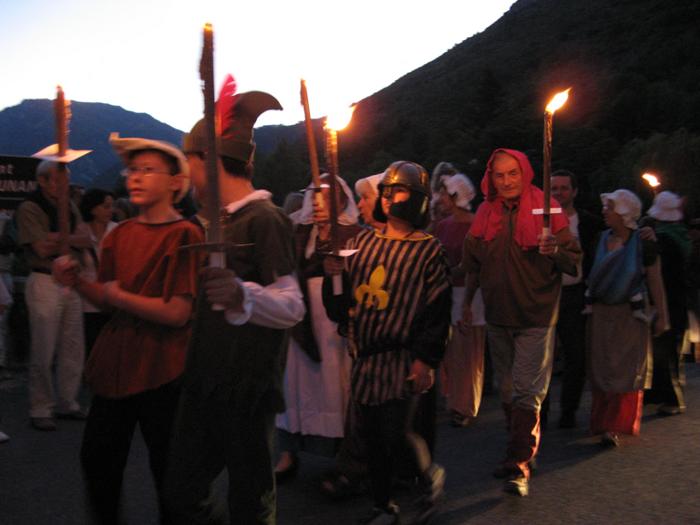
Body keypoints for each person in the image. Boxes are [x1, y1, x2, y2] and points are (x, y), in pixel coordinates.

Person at [163, 91, 305, 525]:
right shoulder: (217, 222)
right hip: (204, 381)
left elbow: (292, 306)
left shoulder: (265, 219)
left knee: (251, 503)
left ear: (206, 160)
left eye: (189, 161)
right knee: (181, 496)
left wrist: (243, 294)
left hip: (246, 388)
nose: (187, 173)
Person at [53, 134, 202, 524]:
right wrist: (76, 281)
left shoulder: (186, 234)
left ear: (175, 182)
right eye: (132, 170)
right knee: (98, 460)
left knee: (169, 472)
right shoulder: (120, 234)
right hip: (116, 363)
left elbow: (176, 313)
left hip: (164, 366)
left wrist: (118, 297)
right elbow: (105, 298)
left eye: (147, 170)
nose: (134, 177)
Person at [323, 161, 450, 524]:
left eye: (400, 191)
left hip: (402, 355)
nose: (391, 197)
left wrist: (425, 359)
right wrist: (334, 277)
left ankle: (428, 478)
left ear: (418, 199)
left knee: (396, 434)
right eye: (388, 191)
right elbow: (342, 305)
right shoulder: (361, 242)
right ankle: (383, 506)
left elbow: (437, 312)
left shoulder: (429, 250)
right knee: (373, 439)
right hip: (366, 358)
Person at [462, 149, 581, 497]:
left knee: (528, 390)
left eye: (512, 173)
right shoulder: (485, 211)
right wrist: (467, 301)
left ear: (524, 172)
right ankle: (519, 450)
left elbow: (573, 262)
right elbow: (472, 264)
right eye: (499, 175)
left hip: (536, 315)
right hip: (498, 315)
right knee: (508, 388)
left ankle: (518, 463)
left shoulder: (548, 207)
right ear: (491, 178)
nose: (506, 181)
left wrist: (554, 250)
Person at [275, 174, 362, 480]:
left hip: (333, 321)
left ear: (340, 199)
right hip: (303, 318)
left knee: (335, 385)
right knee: (295, 385)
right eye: (315, 196)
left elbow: (360, 276)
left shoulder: (353, 233)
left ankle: (344, 455)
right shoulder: (300, 232)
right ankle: (288, 452)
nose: (318, 203)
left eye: (326, 196)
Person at [585, 189, 668, 447]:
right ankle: (601, 421)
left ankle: (616, 426)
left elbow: (655, 280)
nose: (604, 211)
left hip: (630, 315)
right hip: (600, 312)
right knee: (602, 366)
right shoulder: (599, 239)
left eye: (609, 207)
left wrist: (662, 316)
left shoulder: (643, 243)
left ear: (623, 212)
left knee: (625, 368)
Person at [16, 160, 91, 431]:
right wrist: (70, 238)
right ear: (44, 181)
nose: (66, 184)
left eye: (67, 179)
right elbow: (41, 247)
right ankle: (40, 407)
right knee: (43, 348)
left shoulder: (69, 206)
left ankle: (67, 402)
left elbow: (86, 238)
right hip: (45, 280)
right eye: (60, 179)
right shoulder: (30, 207)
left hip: (70, 280)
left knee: (73, 345)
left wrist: (58, 237)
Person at [545, 169, 604, 428]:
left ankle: (568, 410)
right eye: (554, 188)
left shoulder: (589, 223)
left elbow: (619, 234)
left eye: (563, 188)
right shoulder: (539, 220)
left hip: (575, 293)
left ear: (574, 191)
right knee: (542, 357)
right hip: (544, 293)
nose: (558, 192)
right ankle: (540, 412)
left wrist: (646, 230)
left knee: (576, 355)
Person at [434, 173, 486, 427]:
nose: (441, 198)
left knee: (468, 350)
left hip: (470, 293)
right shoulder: (443, 226)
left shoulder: (475, 224)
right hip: (447, 291)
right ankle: (453, 398)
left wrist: (467, 300)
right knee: (452, 351)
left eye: (445, 193)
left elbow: (475, 265)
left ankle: (465, 405)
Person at [641, 191, 689, 415]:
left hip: (667, 301)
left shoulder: (664, 241)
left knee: (664, 352)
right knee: (669, 352)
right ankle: (659, 394)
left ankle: (671, 399)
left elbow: (659, 274)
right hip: (680, 300)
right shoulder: (682, 235)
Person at [75, 189, 117, 358]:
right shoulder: (81, 231)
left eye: (111, 207)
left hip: (110, 298)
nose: (110, 211)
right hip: (86, 299)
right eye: (106, 207)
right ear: (93, 209)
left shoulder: (117, 230)